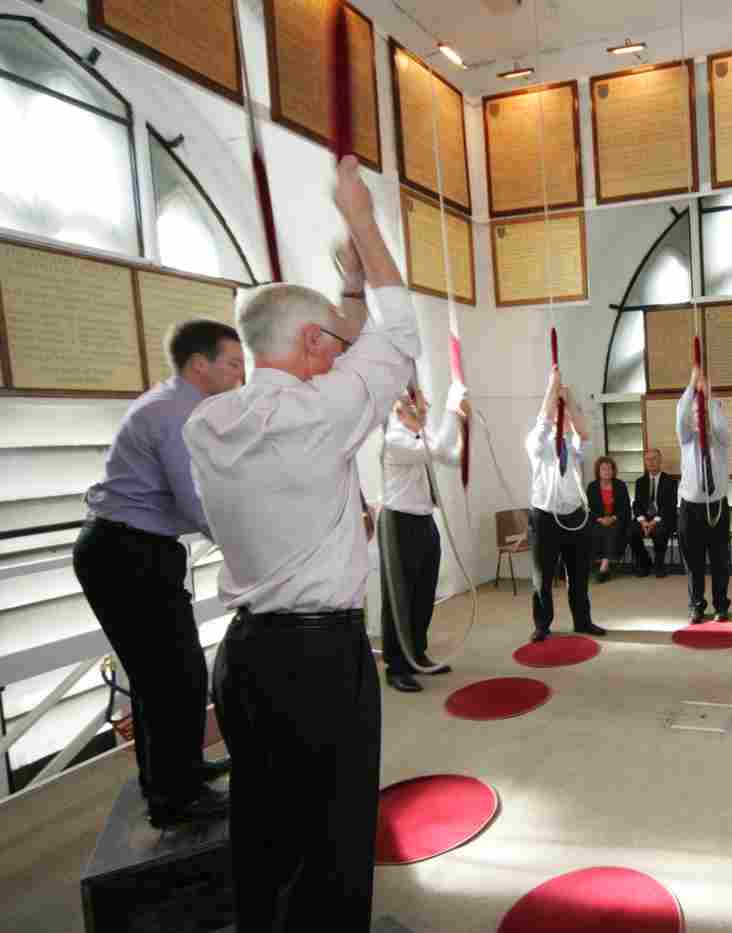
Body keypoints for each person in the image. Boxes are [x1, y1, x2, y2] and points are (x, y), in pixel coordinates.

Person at [183, 156, 414, 933]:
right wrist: (363, 221)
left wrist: (345, 291)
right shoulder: (317, 418)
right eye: (330, 340)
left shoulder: (207, 426)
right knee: (337, 838)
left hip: (245, 658)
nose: (339, 351)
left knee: (265, 828)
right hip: (320, 663)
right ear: (313, 342)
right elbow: (398, 338)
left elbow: (349, 355)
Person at [72, 319, 244, 827]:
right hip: (126, 553)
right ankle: (176, 798)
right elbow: (193, 500)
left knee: (164, 678)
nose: (241, 373)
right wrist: (247, 551)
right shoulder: (175, 413)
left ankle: (176, 776)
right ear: (199, 364)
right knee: (175, 678)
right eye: (233, 362)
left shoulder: (175, 403)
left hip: (132, 549)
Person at [379, 383, 468, 693]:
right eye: (423, 407)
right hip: (398, 522)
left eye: (428, 407)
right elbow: (440, 450)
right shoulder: (394, 440)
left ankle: (417, 653)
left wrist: (464, 427)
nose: (426, 411)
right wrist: (452, 409)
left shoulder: (419, 437)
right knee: (400, 598)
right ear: (401, 410)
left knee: (423, 591)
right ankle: (396, 666)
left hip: (423, 520)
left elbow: (453, 457)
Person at [526, 367, 607, 642]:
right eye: (557, 412)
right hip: (545, 516)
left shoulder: (572, 446)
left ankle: (583, 621)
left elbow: (584, 432)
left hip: (575, 515)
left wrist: (569, 399)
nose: (560, 416)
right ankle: (542, 625)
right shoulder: (536, 443)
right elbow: (542, 422)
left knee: (579, 574)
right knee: (543, 577)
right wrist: (552, 389)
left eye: (562, 413)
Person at [677, 365, 732, 624]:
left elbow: (720, 424)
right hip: (691, 508)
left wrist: (708, 398)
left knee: (720, 560)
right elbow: (680, 415)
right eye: (697, 413)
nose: (701, 417)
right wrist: (691, 387)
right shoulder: (687, 439)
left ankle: (722, 605)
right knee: (694, 562)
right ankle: (696, 605)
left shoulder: (720, 439)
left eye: (704, 413)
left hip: (717, 505)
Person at [630, 448, 677, 577]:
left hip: (663, 518)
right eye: (648, 459)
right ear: (645, 462)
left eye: (654, 459)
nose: (651, 462)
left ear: (660, 460)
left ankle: (659, 563)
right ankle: (644, 561)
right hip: (644, 518)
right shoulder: (640, 482)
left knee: (659, 530)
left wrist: (654, 522)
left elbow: (670, 506)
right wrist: (643, 521)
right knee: (630, 531)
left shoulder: (670, 481)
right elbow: (637, 504)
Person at [586, 455, 631, 582]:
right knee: (596, 531)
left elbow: (625, 508)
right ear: (598, 471)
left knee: (612, 530)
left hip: (617, 519)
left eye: (609, 469)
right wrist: (600, 519)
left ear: (613, 470)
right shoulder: (592, 486)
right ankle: (599, 563)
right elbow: (588, 509)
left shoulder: (620, 485)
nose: (607, 471)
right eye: (603, 469)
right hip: (598, 520)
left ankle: (604, 567)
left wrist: (613, 518)